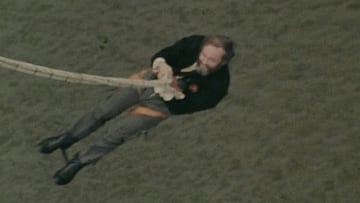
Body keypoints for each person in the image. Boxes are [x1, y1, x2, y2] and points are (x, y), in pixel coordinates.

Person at [38, 34, 235, 185]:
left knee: (117, 134)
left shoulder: (218, 87)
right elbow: (164, 54)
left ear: (223, 62)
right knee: (104, 110)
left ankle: (78, 163)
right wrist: (162, 65)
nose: (204, 61)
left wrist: (172, 93)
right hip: (148, 81)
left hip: (163, 105)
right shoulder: (194, 43)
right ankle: (67, 138)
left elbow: (190, 105)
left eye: (211, 60)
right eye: (204, 55)